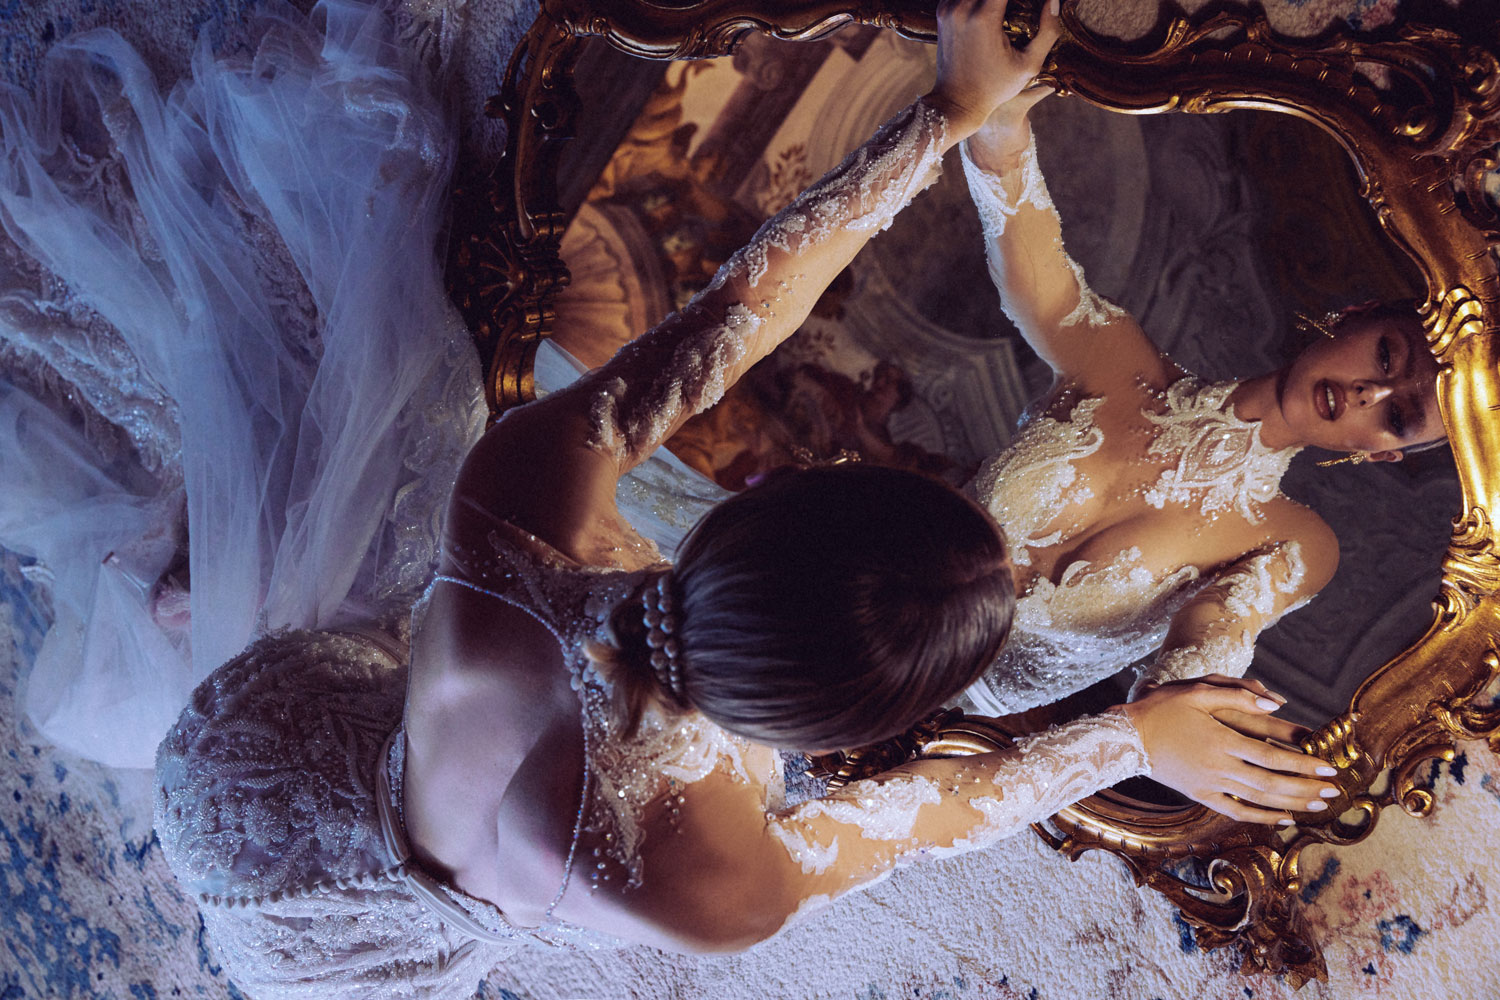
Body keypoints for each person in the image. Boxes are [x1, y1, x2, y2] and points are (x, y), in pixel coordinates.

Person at [0, 0, 1337, 994]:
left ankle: (192, 592)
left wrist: (947, 113)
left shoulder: (524, 505)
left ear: (780, 503)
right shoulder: (716, 884)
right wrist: (1131, 736)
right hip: (329, 915)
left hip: (270, 750)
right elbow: (936, 816)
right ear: (836, 730)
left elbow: (736, 314)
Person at [952, 79, 1445, 718]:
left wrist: (1190, 695)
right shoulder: (1118, 362)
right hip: (854, 587)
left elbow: (1209, 639)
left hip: (942, 734)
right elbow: (1033, 265)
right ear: (1355, 316)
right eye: (1385, 356)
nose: (1368, 392)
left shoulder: (1295, 541)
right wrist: (1001, 119)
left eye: (1397, 416)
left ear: (1381, 453)